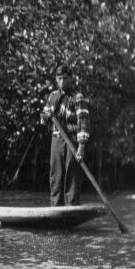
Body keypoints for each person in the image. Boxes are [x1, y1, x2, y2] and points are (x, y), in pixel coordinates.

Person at [41, 63, 91, 206]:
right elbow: (43, 119)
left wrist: (81, 147)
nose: (62, 82)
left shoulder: (78, 98)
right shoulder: (53, 96)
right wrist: (46, 115)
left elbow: (83, 123)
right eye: (59, 79)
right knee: (55, 174)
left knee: (72, 174)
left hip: (72, 140)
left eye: (64, 79)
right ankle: (55, 207)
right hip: (56, 138)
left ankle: (71, 206)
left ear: (71, 79)